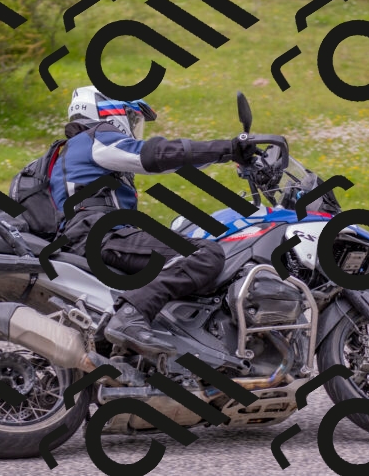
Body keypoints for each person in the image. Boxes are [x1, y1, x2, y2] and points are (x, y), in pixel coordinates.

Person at [50, 86, 255, 356]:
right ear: (107, 112)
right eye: (132, 118)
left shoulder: (74, 150)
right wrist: (227, 149)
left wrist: (222, 156)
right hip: (101, 235)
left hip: (89, 236)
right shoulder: (96, 138)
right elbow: (155, 155)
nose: (135, 128)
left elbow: (172, 161)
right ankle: (130, 316)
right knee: (205, 254)